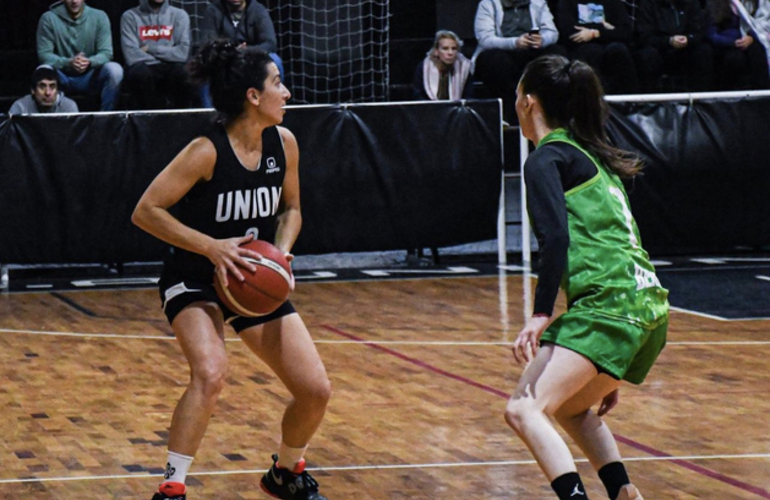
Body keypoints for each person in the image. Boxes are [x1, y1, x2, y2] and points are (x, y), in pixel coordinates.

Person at [132, 40, 331, 500]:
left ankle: (285, 472)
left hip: (248, 278)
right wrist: (212, 247)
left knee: (315, 389)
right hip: (195, 274)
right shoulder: (205, 150)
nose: (287, 92)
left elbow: (292, 209)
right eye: (277, 83)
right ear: (252, 96)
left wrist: (279, 254)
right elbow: (146, 211)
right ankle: (172, 487)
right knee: (211, 372)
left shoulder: (285, 143)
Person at [507, 55, 669, 500]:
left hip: (609, 308)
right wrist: (604, 365)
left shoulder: (546, 159)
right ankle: (623, 492)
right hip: (648, 308)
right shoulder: (593, 157)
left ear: (528, 102)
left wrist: (541, 314)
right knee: (574, 408)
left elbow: (555, 238)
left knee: (523, 410)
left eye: (517, 93)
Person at [472, 0, 565, 123]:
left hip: (532, 51)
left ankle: (551, 115)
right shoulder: (488, 4)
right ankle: (510, 116)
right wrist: (515, 42)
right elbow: (485, 39)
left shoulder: (538, 3)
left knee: (557, 53)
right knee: (495, 60)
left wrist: (542, 40)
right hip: (502, 50)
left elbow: (552, 33)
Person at [36, 0, 124, 111]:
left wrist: (89, 62)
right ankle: (50, 119)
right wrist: (68, 62)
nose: (74, 1)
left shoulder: (99, 17)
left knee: (115, 70)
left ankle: (106, 120)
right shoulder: (48, 18)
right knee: (43, 69)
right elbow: (44, 55)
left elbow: (106, 53)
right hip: (62, 77)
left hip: (90, 76)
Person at [199, 0, 284, 107]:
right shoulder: (213, 10)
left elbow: (270, 43)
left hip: (251, 59)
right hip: (224, 59)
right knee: (205, 63)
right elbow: (206, 43)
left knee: (275, 61)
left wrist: (247, 51)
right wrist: (231, 50)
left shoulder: (257, 9)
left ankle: (274, 107)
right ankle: (208, 113)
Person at [120, 0, 198, 109]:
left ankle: (181, 122)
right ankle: (146, 122)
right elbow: (131, 55)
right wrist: (167, 54)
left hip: (171, 66)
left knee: (183, 73)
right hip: (145, 66)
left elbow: (183, 53)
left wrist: (150, 48)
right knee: (140, 73)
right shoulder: (130, 16)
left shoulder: (179, 15)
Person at [554, 0, 639, 93]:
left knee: (618, 49)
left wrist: (595, 33)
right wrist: (605, 27)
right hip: (581, 48)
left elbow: (625, 32)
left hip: (610, 45)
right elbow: (568, 31)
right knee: (591, 51)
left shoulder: (613, 2)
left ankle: (628, 101)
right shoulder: (567, 2)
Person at [635, 0, 715, 91]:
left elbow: (698, 32)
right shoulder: (648, 4)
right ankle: (649, 100)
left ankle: (700, 99)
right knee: (646, 54)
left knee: (704, 50)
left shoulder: (691, 3)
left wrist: (688, 39)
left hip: (686, 50)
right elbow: (645, 36)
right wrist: (669, 41)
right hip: (659, 51)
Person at [706, 0, 770, 89]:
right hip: (725, 46)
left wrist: (751, 37)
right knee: (735, 58)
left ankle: (762, 92)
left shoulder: (755, 3)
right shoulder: (716, 4)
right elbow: (711, 34)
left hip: (748, 41)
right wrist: (732, 43)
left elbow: (759, 25)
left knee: (757, 51)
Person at [413, 30, 475, 100]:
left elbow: (469, 96)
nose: (450, 53)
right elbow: (418, 94)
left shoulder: (464, 67)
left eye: (454, 49)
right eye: (445, 49)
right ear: (436, 51)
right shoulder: (424, 67)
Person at [9, 65, 79, 115]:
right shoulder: (20, 107)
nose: (48, 93)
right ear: (33, 90)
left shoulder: (69, 107)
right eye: (42, 87)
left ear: (57, 90)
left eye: (52, 87)